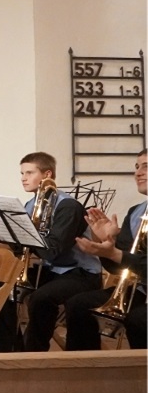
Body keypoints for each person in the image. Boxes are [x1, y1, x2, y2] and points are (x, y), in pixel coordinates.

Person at [0, 152, 103, 352]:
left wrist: (28, 237)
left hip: (79, 274)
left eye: (30, 172)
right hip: (51, 271)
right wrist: (6, 235)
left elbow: (54, 251)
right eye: (22, 173)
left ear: (47, 174)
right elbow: (25, 249)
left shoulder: (69, 207)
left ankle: (34, 353)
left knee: (42, 297)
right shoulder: (30, 205)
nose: (23, 178)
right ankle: (8, 350)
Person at [64, 149, 147, 350]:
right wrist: (106, 246)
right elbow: (121, 268)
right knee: (79, 305)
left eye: (145, 167)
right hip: (142, 290)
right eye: (136, 167)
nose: (137, 173)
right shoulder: (136, 213)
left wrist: (114, 253)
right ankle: (87, 373)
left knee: (139, 320)